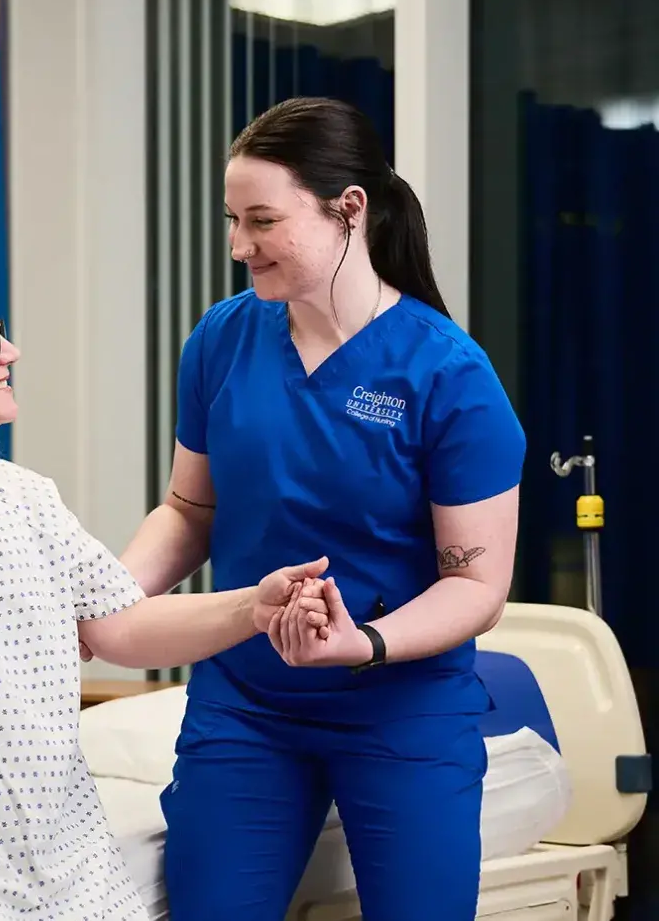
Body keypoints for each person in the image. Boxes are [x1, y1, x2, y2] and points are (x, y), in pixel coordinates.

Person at [0, 263, 332, 920]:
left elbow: (120, 627)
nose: (11, 351)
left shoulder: (25, 498)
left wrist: (253, 607)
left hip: (62, 860)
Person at [120, 95, 526, 921]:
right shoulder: (222, 340)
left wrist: (362, 644)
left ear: (349, 211)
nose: (239, 245)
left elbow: (476, 589)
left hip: (401, 709)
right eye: (234, 220)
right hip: (247, 704)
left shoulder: (449, 376)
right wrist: (101, 596)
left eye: (263, 220)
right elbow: (188, 509)